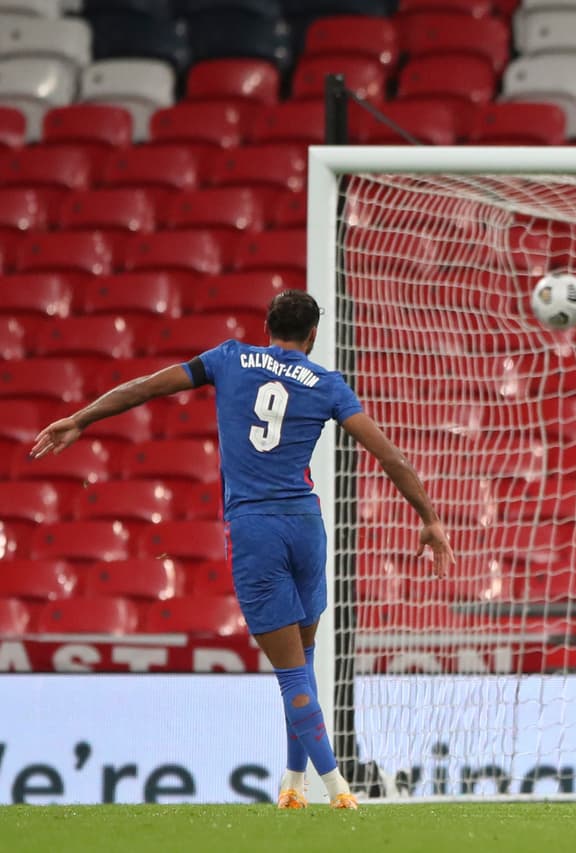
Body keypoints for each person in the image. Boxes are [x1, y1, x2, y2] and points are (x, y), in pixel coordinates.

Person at [31, 290, 454, 811]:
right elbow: (387, 453)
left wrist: (83, 418)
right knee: (306, 656)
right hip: (306, 526)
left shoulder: (228, 358)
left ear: (266, 326)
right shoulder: (327, 384)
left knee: (292, 671)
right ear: (314, 336)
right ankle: (293, 785)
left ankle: (339, 791)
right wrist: (429, 519)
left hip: (256, 530)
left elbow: (146, 388)